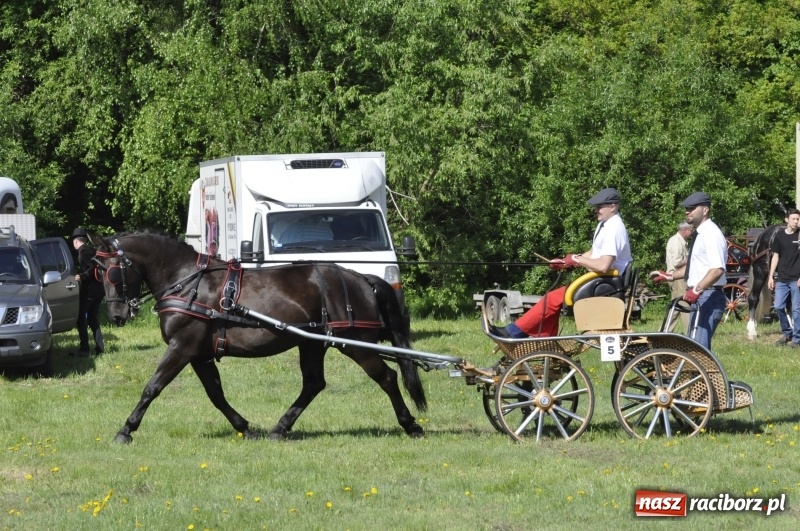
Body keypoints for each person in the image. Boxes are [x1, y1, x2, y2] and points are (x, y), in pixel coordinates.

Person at [491, 187, 632, 338]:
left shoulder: (614, 228)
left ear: (612, 206)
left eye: (600, 207)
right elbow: (593, 253)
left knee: (551, 299)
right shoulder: (605, 224)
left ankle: (513, 332)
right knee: (552, 300)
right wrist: (567, 261)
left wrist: (576, 259)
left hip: (608, 286)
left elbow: (604, 265)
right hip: (602, 281)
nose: (596, 210)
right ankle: (543, 338)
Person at [654, 193, 727, 350]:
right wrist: (670, 275)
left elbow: (717, 269)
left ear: (705, 210)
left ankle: (704, 375)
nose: (687, 212)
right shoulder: (700, 233)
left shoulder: (711, 234)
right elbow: (695, 266)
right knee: (694, 347)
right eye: (686, 209)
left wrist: (697, 289)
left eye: (692, 208)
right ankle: (700, 374)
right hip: (703, 296)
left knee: (698, 350)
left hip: (709, 296)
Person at [768, 208, 800, 347]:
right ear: (786, 219)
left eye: (798, 219)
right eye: (793, 219)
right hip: (781, 278)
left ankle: (796, 339)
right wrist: (770, 277)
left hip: (796, 279)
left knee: (796, 310)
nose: (796, 222)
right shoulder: (779, 236)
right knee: (778, 306)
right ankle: (787, 332)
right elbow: (775, 256)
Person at [71, 228, 105, 356]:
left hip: (90, 290)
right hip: (99, 290)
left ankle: (84, 349)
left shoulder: (83, 251)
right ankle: (100, 348)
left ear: (75, 241)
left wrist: (82, 276)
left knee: (81, 318)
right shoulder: (91, 249)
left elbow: (93, 267)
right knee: (92, 318)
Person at [660, 222, 693, 333]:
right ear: (684, 230)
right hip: (677, 277)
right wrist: (692, 259)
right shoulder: (676, 241)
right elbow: (676, 262)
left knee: (677, 305)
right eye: (691, 230)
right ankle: (690, 332)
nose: (691, 233)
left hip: (680, 277)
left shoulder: (682, 242)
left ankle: (664, 331)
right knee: (684, 304)